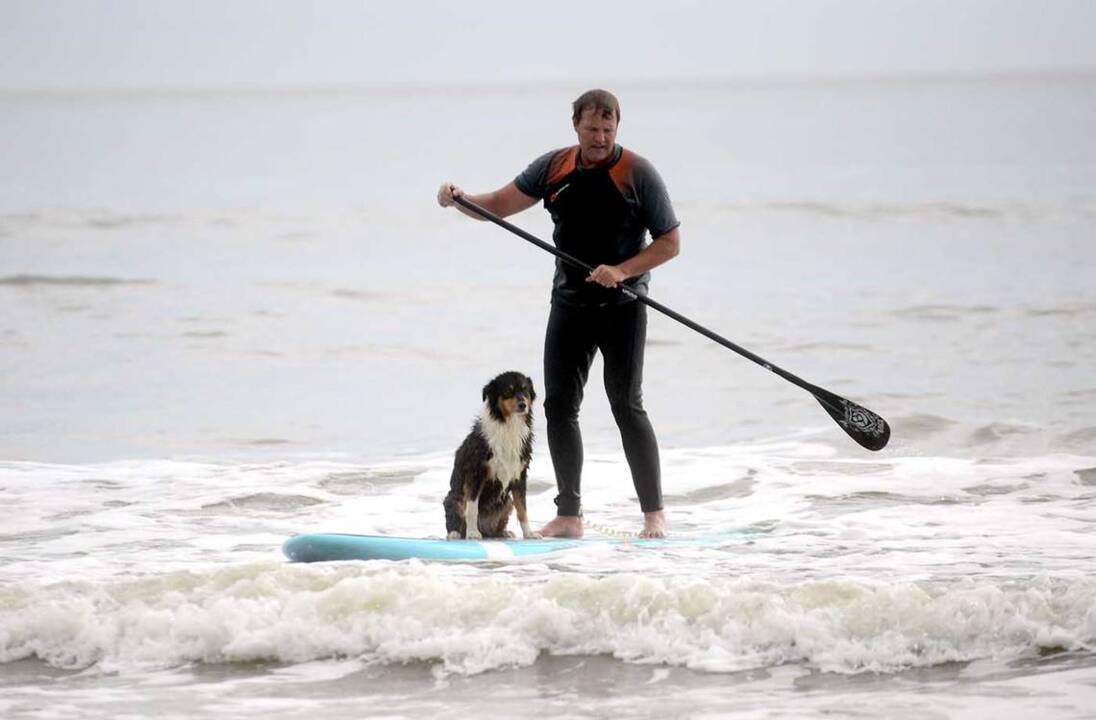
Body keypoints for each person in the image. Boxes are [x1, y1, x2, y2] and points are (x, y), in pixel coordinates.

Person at [437, 89, 681, 539]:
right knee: (561, 407)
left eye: (608, 130)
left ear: (617, 128)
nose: (600, 138)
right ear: (576, 126)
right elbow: (497, 206)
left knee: (626, 404)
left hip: (624, 307)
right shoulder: (554, 167)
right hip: (569, 304)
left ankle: (654, 516)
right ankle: (569, 515)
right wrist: (459, 198)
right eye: (592, 129)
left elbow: (670, 243)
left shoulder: (638, 173)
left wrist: (622, 271)